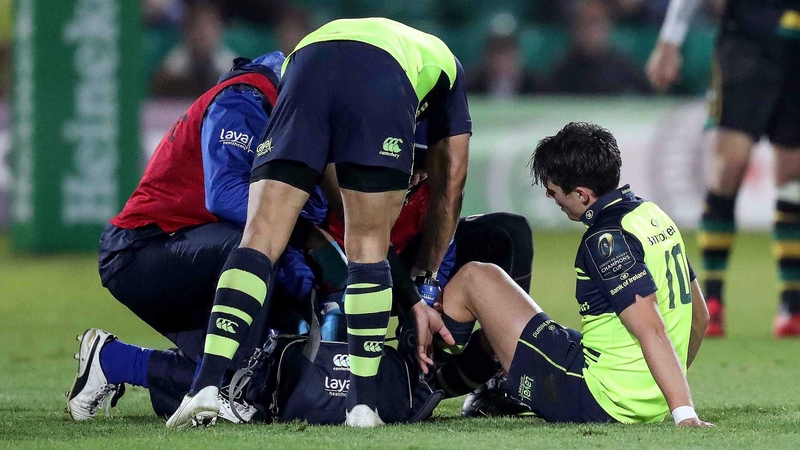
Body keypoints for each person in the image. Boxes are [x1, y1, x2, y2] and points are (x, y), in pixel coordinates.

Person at [167, 17, 472, 429]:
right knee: (367, 242)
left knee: (258, 239)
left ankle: (202, 389)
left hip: (304, 64)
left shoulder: (333, 41)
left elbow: (329, 180)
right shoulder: (447, 67)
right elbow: (450, 185)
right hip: (381, 76)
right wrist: (426, 278)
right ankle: (362, 408)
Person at [66, 52, 333, 422]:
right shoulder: (244, 98)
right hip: (140, 249)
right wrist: (303, 240)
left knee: (258, 385)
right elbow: (224, 195)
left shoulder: (293, 117)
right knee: (254, 252)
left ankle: (113, 360)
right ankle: (223, 389)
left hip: (193, 252)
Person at [442, 122, 712, 425]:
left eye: (554, 190)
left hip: (596, 397)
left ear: (582, 194)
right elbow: (699, 318)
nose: (551, 197)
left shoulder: (606, 240)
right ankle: (488, 387)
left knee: (474, 278)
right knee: (528, 330)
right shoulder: (652, 216)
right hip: (644, 397)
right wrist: (658, 393)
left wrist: (684, 413)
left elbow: (650, 327)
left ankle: (420, 378)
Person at [646, 0, 800, 336]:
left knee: (793, 175)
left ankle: (792, 303)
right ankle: (712, 299)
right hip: (748, 42)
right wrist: (669, 40)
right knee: (729, 166)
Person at [550, 0, 651, 95]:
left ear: (608, 25)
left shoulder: (625, 70)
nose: (591, 30)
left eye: (596, 21)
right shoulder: (562, 74)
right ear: (575, 27)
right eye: (585, 22)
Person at [151, 0, 236, 97]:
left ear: (219, 30)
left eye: (209, 27)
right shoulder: (174, 64)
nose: (203, 33)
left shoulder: (230, 65)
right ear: (187, 31)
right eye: (198, 27)